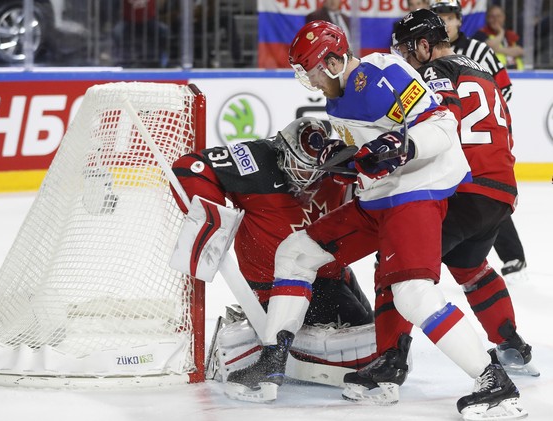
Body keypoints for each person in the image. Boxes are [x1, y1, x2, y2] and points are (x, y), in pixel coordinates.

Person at [224, 19, 526, 419]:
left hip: (418, 191)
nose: (310, 82)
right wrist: (339, 158)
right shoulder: (340, 98)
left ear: (332, 61)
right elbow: (369, 156)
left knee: (412, 292)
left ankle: (495, 383)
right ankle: (273, 362)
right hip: (380, 198)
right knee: (296, 253)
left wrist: (403, 145)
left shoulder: (383, 71)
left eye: (310, 71)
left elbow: (442, 126)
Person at [358, 8, 539, 406]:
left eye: (407, 51)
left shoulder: (435, 72)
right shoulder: (479, 68)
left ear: (424, 46)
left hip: (465, 184)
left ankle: (390, 361)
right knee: (469, 265)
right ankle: (512, 344)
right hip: (500, 189)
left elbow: (442, 121)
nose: (405, 60)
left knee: (398, 264)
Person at [170, 117, 376, 383]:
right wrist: (214, 217)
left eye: (317, 170)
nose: (309, 179)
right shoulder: (255, 160)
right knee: (363, 346)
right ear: (282, 152)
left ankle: (263, 336)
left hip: (330, 276)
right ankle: (262, 337)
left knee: (370, 333)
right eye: (301, 168)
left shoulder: (339, 163)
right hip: (273, 283)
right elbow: (189, 167)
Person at [430, 0, 527, 281]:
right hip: (448, 135)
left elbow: (504, 87)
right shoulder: (426, 51)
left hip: (480, 137)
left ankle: (512, 256)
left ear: (460, 21)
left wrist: (479, 119)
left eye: (449, 18)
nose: (445, 23)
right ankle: (462, 258)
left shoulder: (479, 50)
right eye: (439, 18)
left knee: (483, 190)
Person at [113, 0, 169, 67]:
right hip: (128, 21)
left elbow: (161, 5)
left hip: (149, 20)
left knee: (164, 31)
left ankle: (163, 59)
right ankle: (119, 61)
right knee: (117, 32)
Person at [473, 4, 524, 70]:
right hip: (494, 74)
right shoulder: (481, 33)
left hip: (517, 73)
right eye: (492, 17)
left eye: (498, 16)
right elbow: (489, 46)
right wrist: (501, 32)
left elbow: (520, 51)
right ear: (487, 18)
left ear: (504, 17)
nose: (496, 19)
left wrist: (498, 50)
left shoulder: (510, 34)